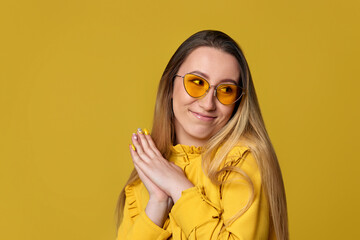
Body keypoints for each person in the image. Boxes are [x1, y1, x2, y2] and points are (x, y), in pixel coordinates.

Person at [115, 30, 289, 240]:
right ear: (170, 85)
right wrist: (158, 203)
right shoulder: (147, 173)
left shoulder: (243, 161)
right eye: (197, 83)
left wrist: (177, 186)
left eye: (226, 90)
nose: (208, 104)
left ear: (238, 102)